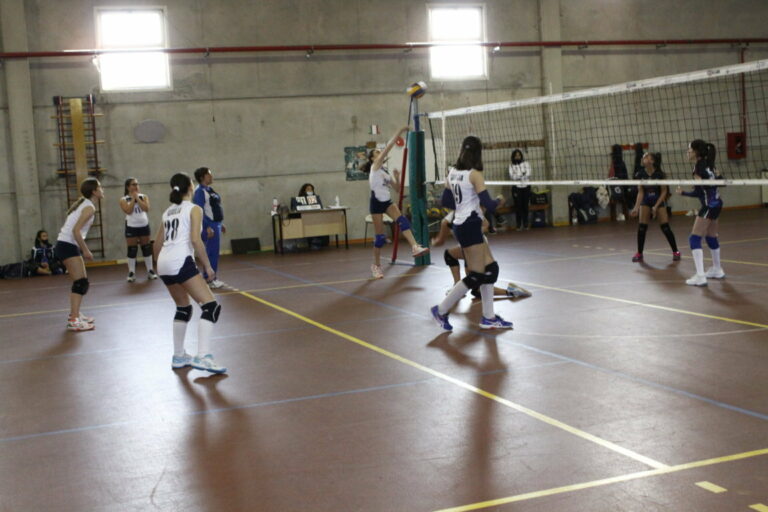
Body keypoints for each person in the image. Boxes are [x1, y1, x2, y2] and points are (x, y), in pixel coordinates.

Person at [430, 135, 513, 331]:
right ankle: (441, 310)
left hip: (462, 223)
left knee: (491, 269)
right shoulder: (475, 174)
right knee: (476, 275)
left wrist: (465, 201)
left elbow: (446, 202)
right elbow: (489, 205)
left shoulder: (452, 172)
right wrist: (500, 200)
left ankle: (489, 317)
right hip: (469, 224)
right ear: (478, 153)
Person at [155, 172, 227, 374]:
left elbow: (157, 244)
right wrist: (208, 266)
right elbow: (195, 239)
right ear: (190, 187)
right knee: (211, 307)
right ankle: (203, 356)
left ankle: (179, 355)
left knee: (183, 308)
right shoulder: (194, 209)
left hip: (164, 263)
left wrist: (159, 266)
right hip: (180, 261)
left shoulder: (168, 212)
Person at [363, 126, 429, 279]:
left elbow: (398, 189)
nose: (380, 152)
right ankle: (376, 266)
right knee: (380, 238)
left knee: (403, 221)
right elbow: (390, 146)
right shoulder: (375, 167)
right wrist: (400, 131)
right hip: (376, 203)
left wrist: (397, 177)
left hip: (387, 201)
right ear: (372, 158)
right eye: (377, 152)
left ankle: (415, 247)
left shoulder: (384, 172)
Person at [53, 177, 103, 331]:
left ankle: (74, 314)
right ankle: (74, 320)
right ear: (94, 191)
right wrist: (86, 250)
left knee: (81, 282)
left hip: (67, 245)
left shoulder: (85, 204)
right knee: (81, 283)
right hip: (67, 245)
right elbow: (76, 231)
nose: (102, 190)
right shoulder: (89, 207)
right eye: (100, 187)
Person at [676, 140, 725, 286]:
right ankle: (717, 269)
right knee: (711, 237)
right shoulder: (710, 165)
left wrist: (683, 193)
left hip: (709, 206)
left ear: (696, 152)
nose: (687, 152)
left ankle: (700, 276)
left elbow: (698, 192)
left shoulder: (698, 167)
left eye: (689, 149)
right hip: (717, 204)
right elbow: (722, 182)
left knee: (694, 239)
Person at [629, 152, 681, 262]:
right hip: (646, 200)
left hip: (658, 200)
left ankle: (676, 251)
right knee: (642, 227)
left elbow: (664, 191)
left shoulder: (660, 174)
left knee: (665, 227)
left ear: (652, 161)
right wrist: (636, 207)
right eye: (643, 156)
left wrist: (656, 206)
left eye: (646, 157)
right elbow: (641, 192)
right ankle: (639, 253)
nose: (643, 157)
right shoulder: (640, 174)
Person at [193, 167, 226, 289]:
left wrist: (220, 223)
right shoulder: (200, 192)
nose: (211, 176)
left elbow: (214, 207)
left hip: (215, 224)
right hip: (209, 225)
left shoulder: (209, 189)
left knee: (214, 252)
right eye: (209, 175)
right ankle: (210, 279)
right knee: (211, 252)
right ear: (202, 177)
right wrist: (206, 226)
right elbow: (199, 210)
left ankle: (210, 277)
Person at [119, 177, 157, 282]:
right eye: (133, 184)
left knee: (146, 248)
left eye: (137, 184)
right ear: (128, 187)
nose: (136, 186)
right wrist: (133, 199)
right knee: (132, 249)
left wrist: (138, 198)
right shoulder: (123, 199)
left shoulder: (144, 196)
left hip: (144, 225)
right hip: (131, 226)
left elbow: (146, 208)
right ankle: (131, 272)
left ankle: (150, 270)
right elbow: (128, 211)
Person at [508, 148, 532, 231]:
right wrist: (522, 175)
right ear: (513, 157)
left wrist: (519, 175)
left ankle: (525, 224)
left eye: (519, 155)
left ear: (521, 156)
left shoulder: (526, 164)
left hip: (526, 186)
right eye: (516, 155)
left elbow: (528, 173)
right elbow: (512, 176)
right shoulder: (511, 165)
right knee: (518, 206)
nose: (517, 157)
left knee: (525, 206)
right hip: (516, 187)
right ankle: (518, 225)